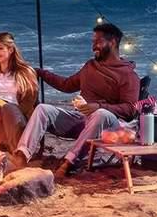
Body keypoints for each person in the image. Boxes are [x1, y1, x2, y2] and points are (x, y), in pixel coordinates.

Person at [13, 22, 141, 177]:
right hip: (82, 122)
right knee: (43, 109)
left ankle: (69, 163)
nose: (94, 46)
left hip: (110, 128)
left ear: (113, 42)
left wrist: (98, 106)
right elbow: (67, 85)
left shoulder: (128, 74)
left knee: (101, 114)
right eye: (93, 42)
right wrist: (40, 72)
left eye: (98, 42)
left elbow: (130, 109)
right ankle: (22, 156)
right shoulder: (91, 66)